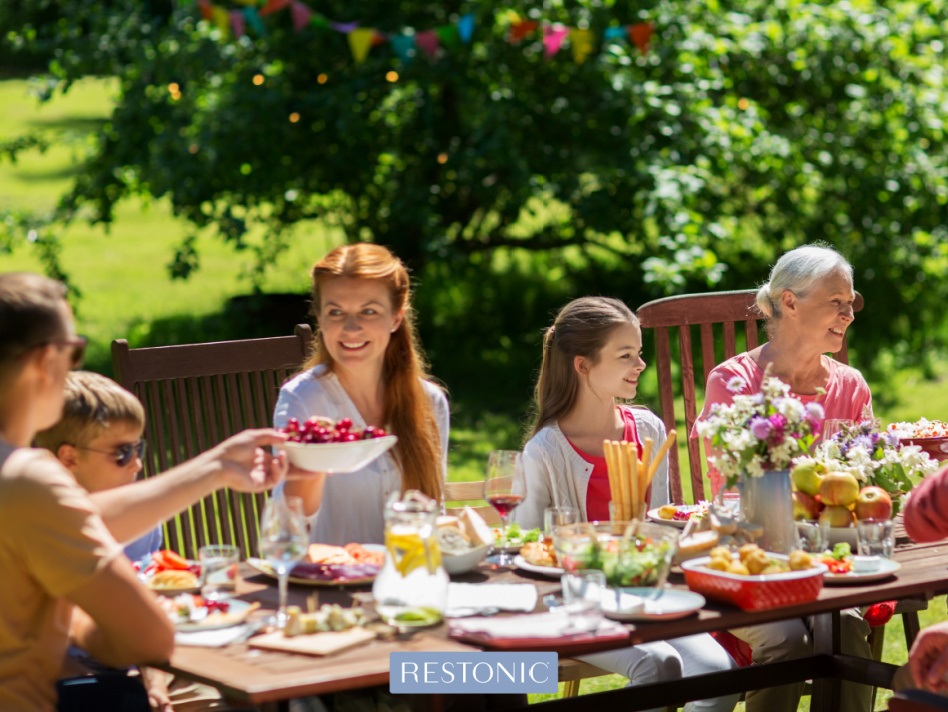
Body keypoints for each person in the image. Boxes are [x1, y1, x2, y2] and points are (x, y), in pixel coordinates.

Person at [0, 271, 289, 711]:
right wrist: (82, 626)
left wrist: (215, 467)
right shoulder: (28, 480)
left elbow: (78, 518)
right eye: (75, 352)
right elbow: (150, 636)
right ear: (46, 361)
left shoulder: (22, 483)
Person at [514, 296, 739, 712]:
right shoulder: (545, 451)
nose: (640, 365)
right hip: (574, 602)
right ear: (583, 365)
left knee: (720, 673)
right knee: (660, 664)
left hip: (644, 594)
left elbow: (659, 529)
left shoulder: (648, 429)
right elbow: (530, 553)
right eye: (625, 356)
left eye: (639, 353)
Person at [693, 244, 873, 712]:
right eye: (836, 301)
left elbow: (866, 477)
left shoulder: (850, 386)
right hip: (751, 554)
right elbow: (727, 485)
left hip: (829, 553)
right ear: (789, 302)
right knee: (790, 641)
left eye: (851, 302)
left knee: (848, 626)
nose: (848, 313)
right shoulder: (734, 382)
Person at [275, 243, 449, 545]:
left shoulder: (430, 401)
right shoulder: (303, 399)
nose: (351, 328)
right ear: (319, 317)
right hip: (330, 582)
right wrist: (314, 458)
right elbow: (288, 527)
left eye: (368, 311)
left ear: (396, 317)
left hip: (408, 577)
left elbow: (434, 513)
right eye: (336, 312)